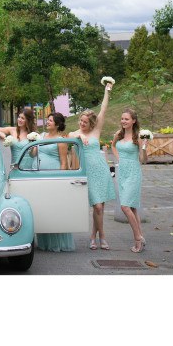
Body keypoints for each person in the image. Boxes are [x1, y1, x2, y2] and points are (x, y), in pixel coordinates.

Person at [72, 79, 117, 251]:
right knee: (97, 206)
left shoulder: (96, 131)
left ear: (91, 123)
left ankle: (93, 237)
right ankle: (102, 236)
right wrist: (80, 136)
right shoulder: (75, 133)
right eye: (81, 121)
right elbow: (70, 137)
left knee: (100, 208)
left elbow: (103, 109)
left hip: (101, 170)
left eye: (85, 122)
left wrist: (107, 91)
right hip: (87, 172)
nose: (82, 124)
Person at [34, 112, 78, 252]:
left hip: (52, 176)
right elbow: (32, 154)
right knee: (42, 207)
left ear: (57, 124)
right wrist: (32, 143)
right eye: (47, 120)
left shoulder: (60, 140)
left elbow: (64, 162)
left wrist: (60, 181)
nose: (47, 122)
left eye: (50, 120)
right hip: (38, 176)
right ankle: (45, 242)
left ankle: (58, 243)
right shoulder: (41, 136)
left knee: (53, 207)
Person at [110, 110, 148, 253]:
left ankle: (138, 238)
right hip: (122, 172)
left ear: (133, 121)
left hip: (133, 172)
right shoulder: (118, 134)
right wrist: (119, 159)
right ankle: (141, 236)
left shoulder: (138, 137)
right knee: (132, 208)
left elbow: (143, 160)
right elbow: (113, 146)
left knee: (125, 207)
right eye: (122, 119)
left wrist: (144, 146)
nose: (123, 121)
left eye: (126, 119)